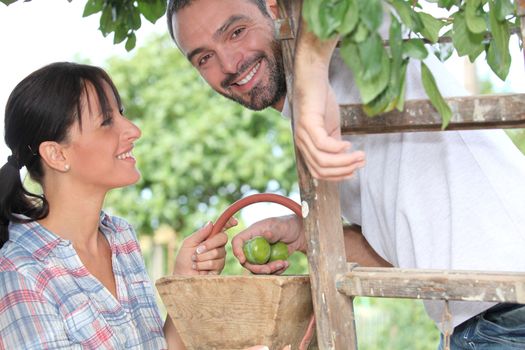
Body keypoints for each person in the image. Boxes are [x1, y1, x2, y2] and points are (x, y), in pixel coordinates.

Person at [167, 0, 525, 348]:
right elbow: (400, 251)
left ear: (276, 8)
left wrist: (309, 74)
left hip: (507, 310)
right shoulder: (306, 119)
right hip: (475, 321)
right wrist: (304, 234)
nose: (229, 63)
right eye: (204, 58)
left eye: (236, 31)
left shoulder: (363, 36)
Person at [0, 62, 275, 350]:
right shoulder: (20, 273)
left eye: (121, 114)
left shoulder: (121, 237)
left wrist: (185, 281)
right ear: (56, 154)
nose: (133, 130)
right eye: (106, 121)